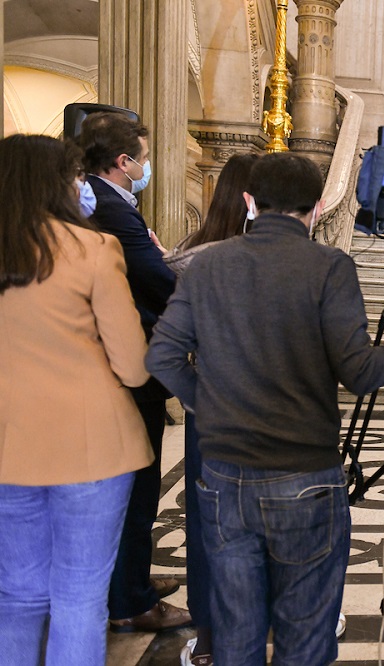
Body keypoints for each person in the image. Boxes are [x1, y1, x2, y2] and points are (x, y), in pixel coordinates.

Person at [146, 152, 384, 665]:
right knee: (305, 639)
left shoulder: (209, 264)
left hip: (224, 477)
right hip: (305, 476)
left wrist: (213, 406)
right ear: (315, 208)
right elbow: (361, 373)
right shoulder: (329, 266)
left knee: (236, 636)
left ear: (249, 201)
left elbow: (162, 355)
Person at [0, 134, 153, 664]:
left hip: (7, 448)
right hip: (92, 447)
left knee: (17, 596)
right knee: (80, 598)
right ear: (60, 183)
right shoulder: (93, 249)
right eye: (76, 178)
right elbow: (133, 366)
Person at [76, 110, 191, 632]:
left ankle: (134, 578)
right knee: (138, 482)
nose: (146, 168)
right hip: (127, 362)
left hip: (116, 359)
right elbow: (147, 272)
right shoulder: (108, 207)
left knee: (135, 482)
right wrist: (192, 302)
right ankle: (131, 599)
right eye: (143, 159)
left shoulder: (106, 203)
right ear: (124, 163)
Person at [164, 152, 259, 666]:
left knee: (208, 522)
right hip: (264, 414)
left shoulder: (189, 254)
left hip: (210, 414)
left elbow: (166, 351)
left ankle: (210, 636)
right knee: (260, 523)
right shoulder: (262, 258)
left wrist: (198, 398)